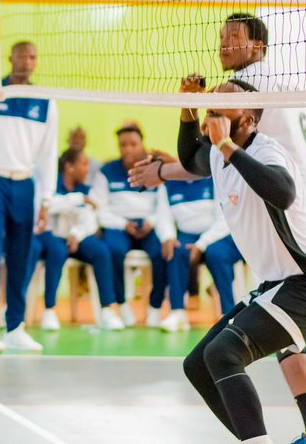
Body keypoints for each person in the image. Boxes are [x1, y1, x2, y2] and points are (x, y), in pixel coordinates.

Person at [179, 79, 306, 444]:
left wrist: (226, 146)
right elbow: (189, 159)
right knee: (198, 365)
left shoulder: (266, 150)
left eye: (222, 108)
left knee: (225, 353)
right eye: (211, 108)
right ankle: (305, 432)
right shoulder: (215, 152)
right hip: (280, 285)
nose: (213, 113)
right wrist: (187, 110)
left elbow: (284, 193)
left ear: (248, 119)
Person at [211, 13, 306, 442]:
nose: (223, 44)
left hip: (297, 205)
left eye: (232, 37)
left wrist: (167, 168)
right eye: (220, 37)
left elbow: (209, 154)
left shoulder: (251, 84)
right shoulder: (267, 81)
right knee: (278, 310)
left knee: (276, 307)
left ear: (257, 47)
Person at [0, 40, 58, 354]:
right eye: (22, 55)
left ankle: (15, 326)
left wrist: (47, 199)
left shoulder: (46, 102)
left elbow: (48, 155)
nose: (27, 61)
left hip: (24, 184)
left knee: (20, 257)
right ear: (11, 58)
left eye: (33, 56)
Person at [32, 148, 125, 331]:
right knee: (57, 252)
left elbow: (89, 218)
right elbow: (47, 208)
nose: (88, 169)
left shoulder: (85, 189)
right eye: (84, 164)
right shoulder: (51, 185)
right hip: (50, 236)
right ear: (69, 167)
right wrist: (76, 199)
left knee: (101, 251)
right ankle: (49, 310)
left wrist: (76, 234)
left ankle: (107, 310)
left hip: (75, 237)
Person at [91, 123, 168, 327]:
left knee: (162, 253)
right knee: (113, 251)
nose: (128, 149)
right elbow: (100, 208)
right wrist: (123, 224)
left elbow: (163, 206)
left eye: (133, 144)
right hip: (119, 225)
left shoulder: (154, 170)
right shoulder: (106, 171)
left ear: (142, 144)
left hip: (147, 225)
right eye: (123, 144)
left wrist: (151, 222)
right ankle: (122, 305)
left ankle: (155, 307)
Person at [155, 176, 241, 332]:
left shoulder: (215, 180)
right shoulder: (167, 185)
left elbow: (223, 220)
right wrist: (168, 236)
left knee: (217, 255)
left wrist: (201, 244)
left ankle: (227, 314)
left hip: (216, 235)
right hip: (186, 235)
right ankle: (177, 312)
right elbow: (163, 216)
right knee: (174, 251)